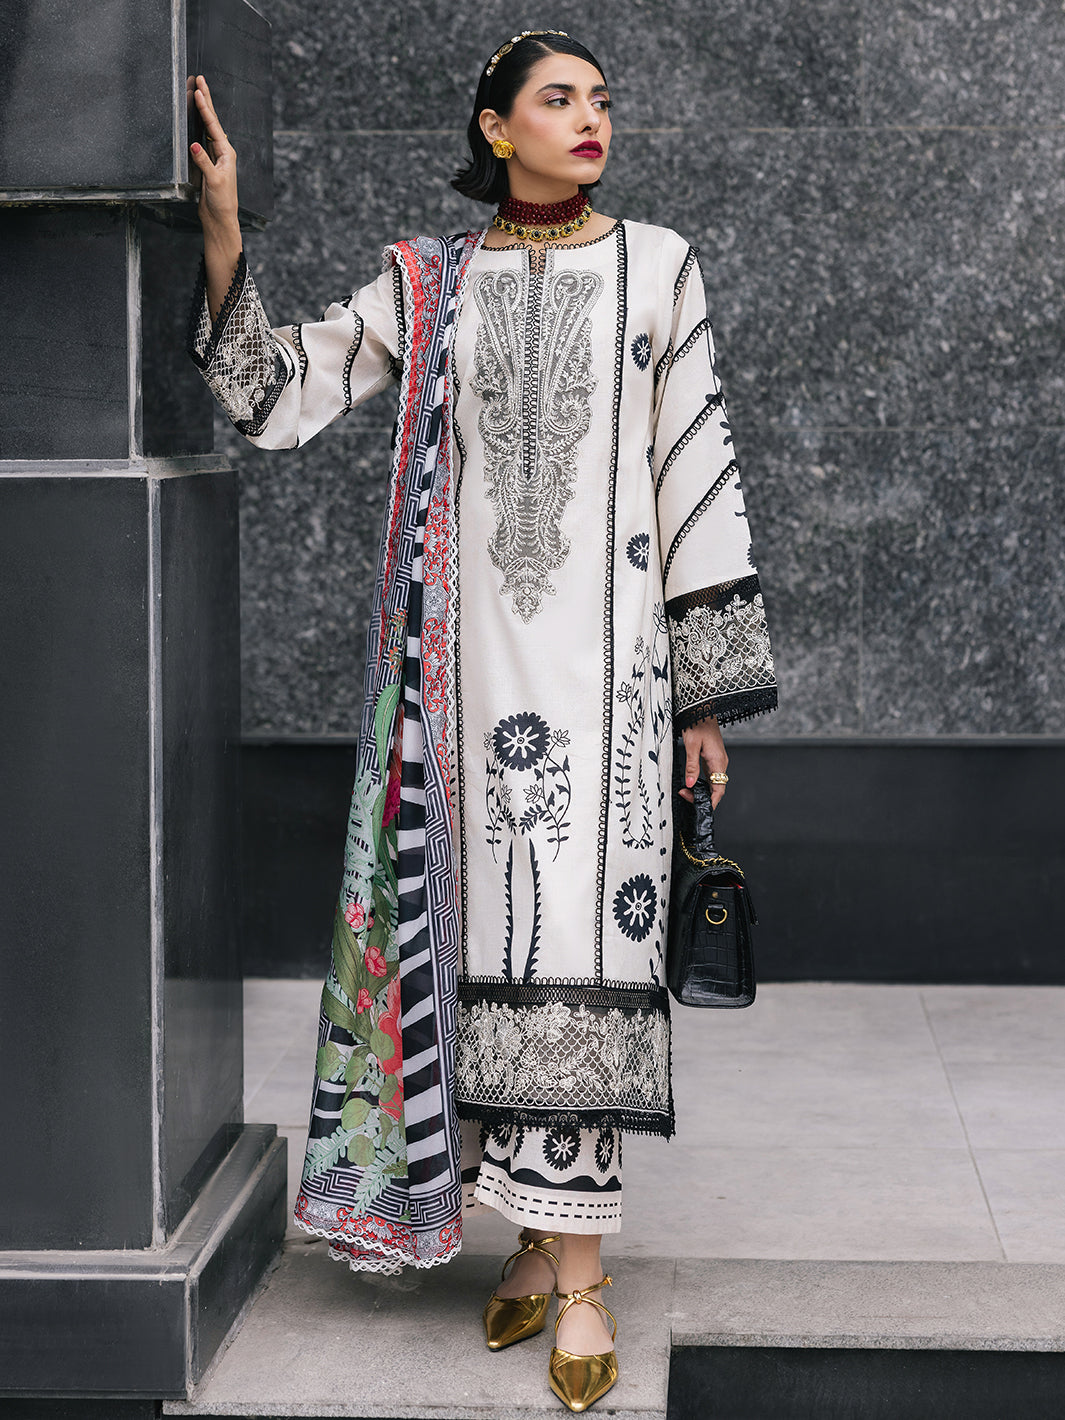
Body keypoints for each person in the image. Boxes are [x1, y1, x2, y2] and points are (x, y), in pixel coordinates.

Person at [188, 29, 777, 1412]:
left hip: (612, 690)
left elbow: (696, 474)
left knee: (580, 950)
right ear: (495, 128)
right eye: (557, 100)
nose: (590, 120)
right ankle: (530, 1241)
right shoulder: (429, 282)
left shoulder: (657, 266)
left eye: (600, 100)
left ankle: (580, 1277)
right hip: (463, 697)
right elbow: (277, 393)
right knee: (480, 949)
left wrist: (704, 695)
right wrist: (221, 229)